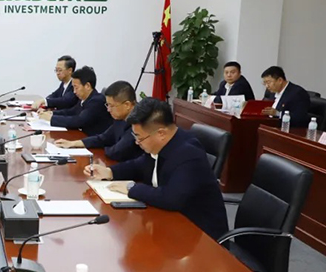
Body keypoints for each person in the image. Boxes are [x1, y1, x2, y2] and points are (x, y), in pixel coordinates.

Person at [84, 98, 228, 240]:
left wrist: (131, 188)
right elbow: (139, 165)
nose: (137, 142)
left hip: (200, 236)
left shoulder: (188, 153)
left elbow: (171, 198)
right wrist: (110, 172)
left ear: (161, 133)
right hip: (171, 223)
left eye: (140, 137)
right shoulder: (162, 144)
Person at [54, 81, 143, 161]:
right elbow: (103, 138)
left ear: (127, 105)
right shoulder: (120, 118)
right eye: (107, 105)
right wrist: (73, 144)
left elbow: (116, 152)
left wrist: (105, 147)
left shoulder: (138, 122)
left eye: (111, 106)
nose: (108, 110)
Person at [38, 66, 112, 136]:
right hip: (83, 136)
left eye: (76, 88)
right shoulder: (84, 99)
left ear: (87, 86)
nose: (74, 91)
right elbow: (72, 111)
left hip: (94, 141)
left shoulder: (97, 101)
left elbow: (79, 121)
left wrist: (51, 119)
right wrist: (52, 113)